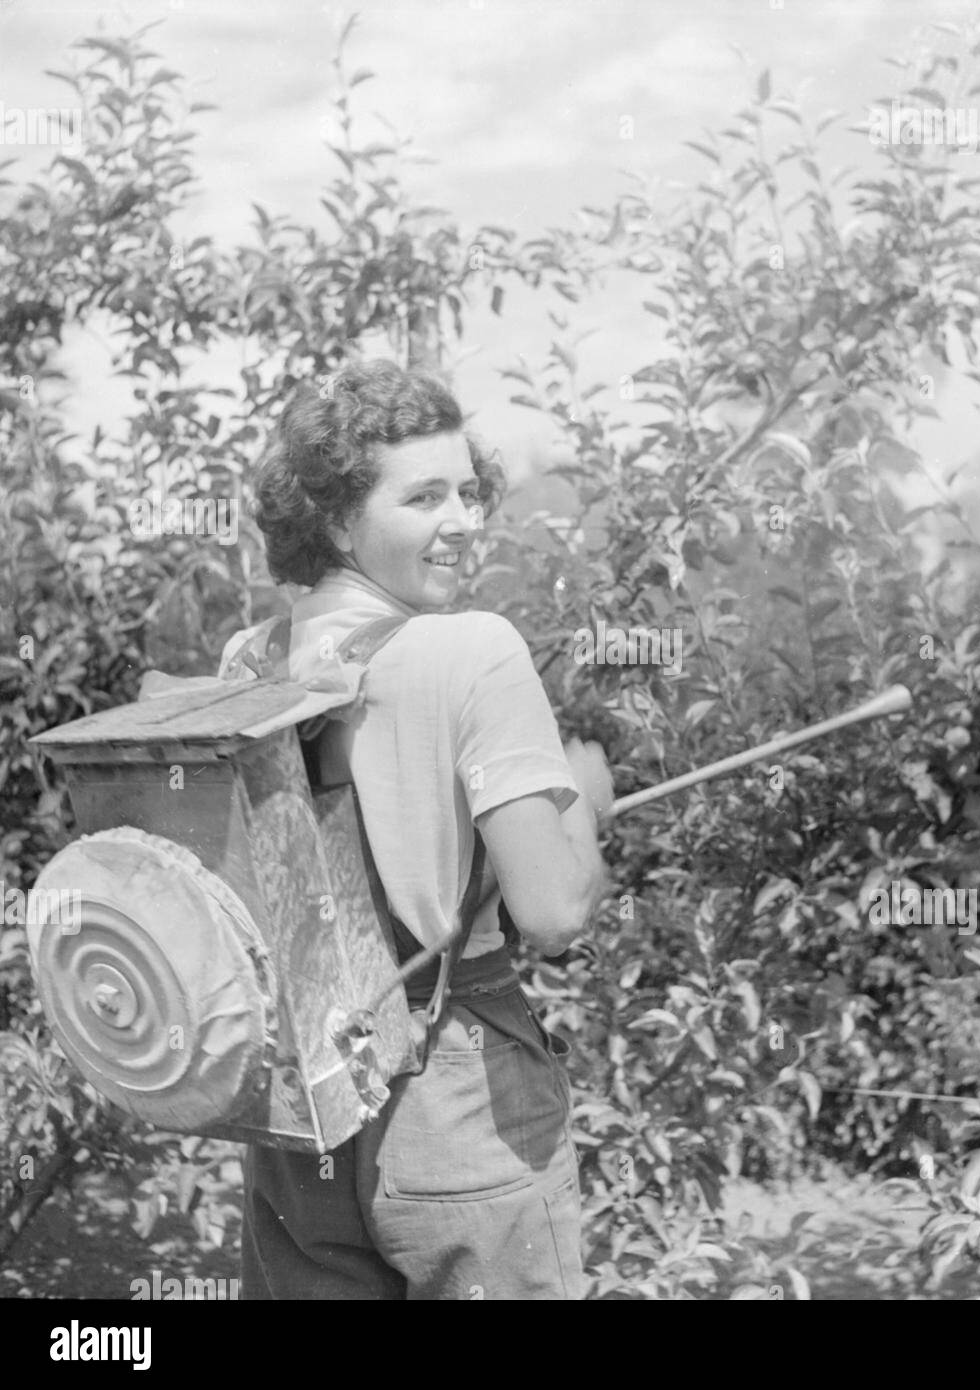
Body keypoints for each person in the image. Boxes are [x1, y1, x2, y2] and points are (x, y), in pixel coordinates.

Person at [230, 359, 611, 1300]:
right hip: (454, 1082)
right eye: (425, 496)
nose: (464, 522)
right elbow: (555, 911)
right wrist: (587, 810)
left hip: (306, 1093)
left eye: (470, 491)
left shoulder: (250, 659)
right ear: (333, 519)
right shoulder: (471, 649)